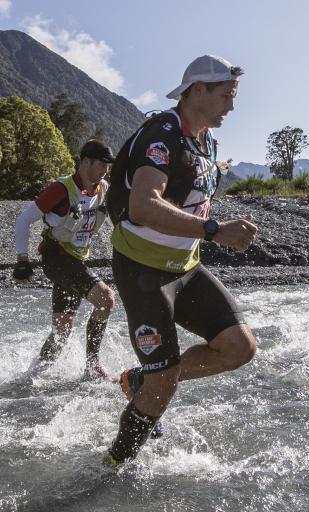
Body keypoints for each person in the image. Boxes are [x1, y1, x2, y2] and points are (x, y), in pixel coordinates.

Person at [104, 55, 258, 464]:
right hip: (143, 271)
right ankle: (113, 465)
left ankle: (142, 377)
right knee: (162, 390)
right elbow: (143, 206)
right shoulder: (162, 133)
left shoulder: (207, 141)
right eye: (226, 95)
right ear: (197, 91)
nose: (232, 105)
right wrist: (214, 231)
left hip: (184, 268)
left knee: (239, 348)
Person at [13, 139, 117, 380]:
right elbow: (23, 219)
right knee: (106, 299)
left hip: (76, 260)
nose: (105, 170)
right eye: (102, 165)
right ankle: (92, 367)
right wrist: (22, 260)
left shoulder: (103, 189)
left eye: (108, 166)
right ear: (85, 162)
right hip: (56, 257)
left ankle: (33, 375)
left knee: (62, 331)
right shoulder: (61, 189)